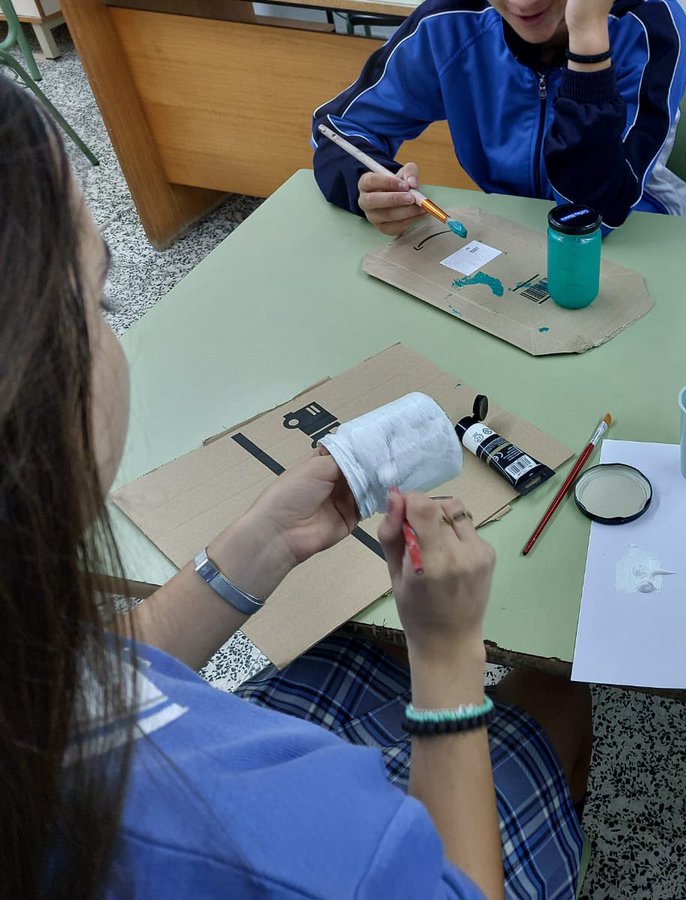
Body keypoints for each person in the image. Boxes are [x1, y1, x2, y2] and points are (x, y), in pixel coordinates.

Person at [0, 77, 591, 899]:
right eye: (98, 298)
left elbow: (88, 675)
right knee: (551, 698)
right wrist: (449, 657)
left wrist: (258, 547)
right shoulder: (277, 840)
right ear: (32, 386)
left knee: (344, 643)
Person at [312, 0, 686, 236]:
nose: (523, 3)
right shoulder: (450, 21)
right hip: (508, 236)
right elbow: (338, 131)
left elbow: (593, 214)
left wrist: (588, 36)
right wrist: (367, 182)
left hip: (638, 225)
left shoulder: (647, 26)